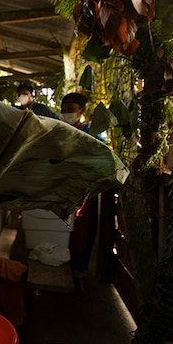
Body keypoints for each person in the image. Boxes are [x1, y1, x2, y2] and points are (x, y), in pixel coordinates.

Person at [60, 92, 99, 299]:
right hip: (63, 188)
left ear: (82, 110)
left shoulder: (91, 131)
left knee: (82, 233)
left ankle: (79, 276)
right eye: (64, 109)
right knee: (61, 230)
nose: (66, 112)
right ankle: (61, 269)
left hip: (84, 191)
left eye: (71, 109)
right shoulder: (60, 130)